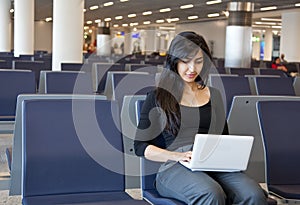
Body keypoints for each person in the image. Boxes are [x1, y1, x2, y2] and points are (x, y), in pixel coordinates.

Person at [134, 31, 267, 204]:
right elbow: (140, 146)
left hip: (214, 162)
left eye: (198, 61)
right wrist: (176, 156)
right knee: (210, 193)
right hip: (175, 165)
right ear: (174, 61)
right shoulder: (158, 96)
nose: (192, 69)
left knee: (253, 194)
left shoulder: (214, 95)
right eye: (185, 61)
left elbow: (223, 138)